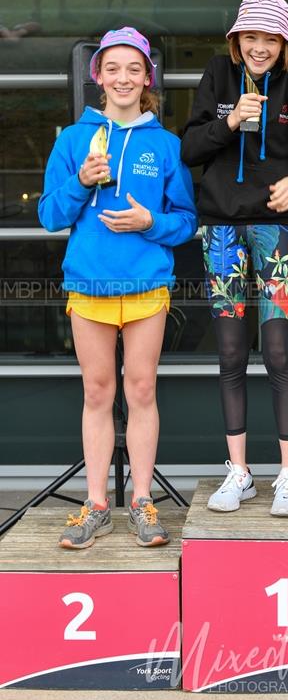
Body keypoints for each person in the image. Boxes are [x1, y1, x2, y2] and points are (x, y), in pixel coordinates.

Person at [39, 27, 197, 549]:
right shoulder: (72, 139)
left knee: (142, 389)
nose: (124, 77)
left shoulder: (166, 144)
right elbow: (49, 216)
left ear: (147, 77)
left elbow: (186, 222)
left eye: (134, 68)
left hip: (147, 285)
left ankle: (143, 501)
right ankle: (96, 504)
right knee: (97, 392)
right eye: (113, 69)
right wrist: (81, 181)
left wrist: (150, 221)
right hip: (89, 285)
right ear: (97, 77)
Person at [181, 0, 288, 517]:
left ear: (285, 44)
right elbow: (190, 149)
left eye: (270, 39)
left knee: (278, 351)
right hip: (221, 228)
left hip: (275, 230)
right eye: (251, 37)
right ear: (236, 39)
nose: (259, 47)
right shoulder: (218, 75)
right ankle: (239, 472)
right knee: (228, 353)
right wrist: (229, 120)